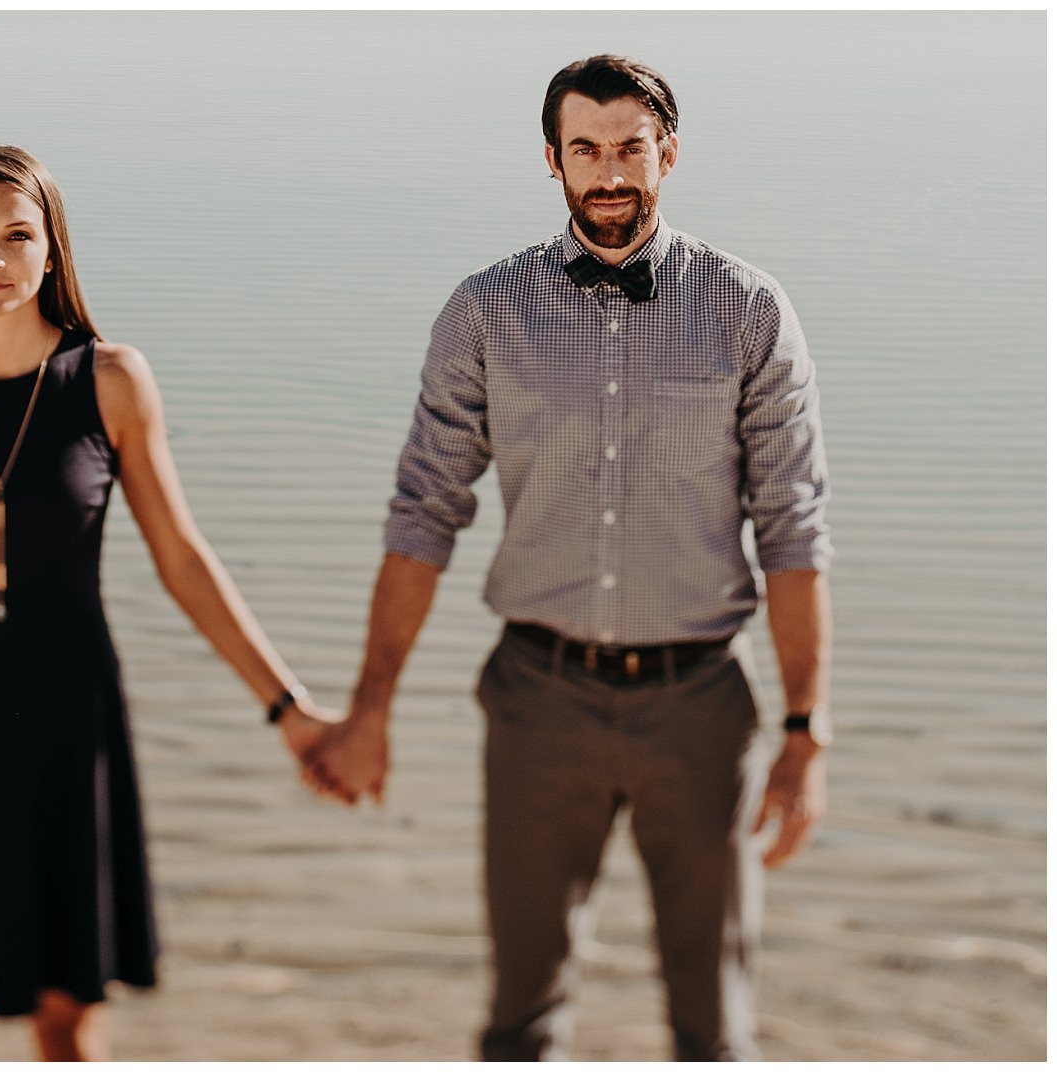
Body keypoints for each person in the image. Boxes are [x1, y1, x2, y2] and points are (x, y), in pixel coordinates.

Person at [308, 55, 834, 1060]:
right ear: (552, 161)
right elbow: (424, 510)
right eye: (584, 150)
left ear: (667, 155)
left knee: (713, 1025)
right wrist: (370, 706)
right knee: (521, 1019)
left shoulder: (750, 310)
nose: (609, 174)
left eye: (630, 149)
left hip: (703, 707)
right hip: (537, 701)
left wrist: (806, 731)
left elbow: (794, 528)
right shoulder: (485, 311)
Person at [0, 144, 341, 1061]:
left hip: (70, 725)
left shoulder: (109, 381)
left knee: (68, 1021)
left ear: (53, 251)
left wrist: (288, 709)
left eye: (17, 237)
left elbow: (182, 559)